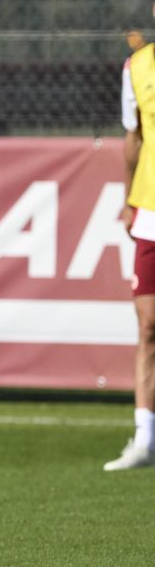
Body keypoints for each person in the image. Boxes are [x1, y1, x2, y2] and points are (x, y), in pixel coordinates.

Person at [106, 33, 155, 471]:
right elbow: (133, 137)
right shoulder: (136, 67)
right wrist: (127, 200)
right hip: (150, 210)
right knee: (148, 324)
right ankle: (145, 437)